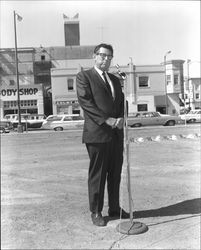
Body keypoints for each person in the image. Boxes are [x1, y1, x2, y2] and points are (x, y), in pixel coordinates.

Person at [76, 43, 129, 227]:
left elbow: (121, 103)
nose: (106, 59)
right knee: (97, 175)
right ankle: (96, 211)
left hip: (116, 135)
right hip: (97, 135)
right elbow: (86, 103)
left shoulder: (115, 80)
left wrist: (122, 118)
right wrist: (108, 120)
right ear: (94, 56)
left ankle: (114, 208)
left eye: (109, 56)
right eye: (102, 55)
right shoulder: (84, 77)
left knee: (115, 174)